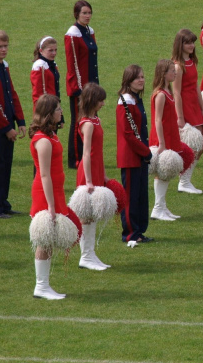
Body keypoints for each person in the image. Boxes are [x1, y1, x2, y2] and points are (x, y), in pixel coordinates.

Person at [29, 94, 82, 299]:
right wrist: (50, 206)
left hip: (55, 192)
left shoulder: (51, 135)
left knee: (49, 239)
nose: (62, 112)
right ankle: (41, 286)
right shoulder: (43, 141)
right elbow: (44, 174)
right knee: (44, 240)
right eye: (58, 109)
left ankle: (44, 285)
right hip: (46, 195)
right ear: (48, 114)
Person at [0, 30, 26, 218]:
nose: (4, 49)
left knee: (6, 164)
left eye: (5, 46)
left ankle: (3, 203)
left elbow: (12, 94)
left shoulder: (3, 66)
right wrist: (6, 128)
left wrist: (20, 120)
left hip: (7, 123)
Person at [116, 65, 154, 244]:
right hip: (131, 157)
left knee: (140, 196)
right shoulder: (126, 101)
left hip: (139, 155)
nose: (141, 80)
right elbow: (129, 134)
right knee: (131, 197)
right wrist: (145, 151)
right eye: (137, 77)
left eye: (142, 77)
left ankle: (138, 231)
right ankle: (130, 233)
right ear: (128, 80)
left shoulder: (135, 99)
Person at [76, 83, 110, 270]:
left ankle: (90, 253)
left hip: (96, 169)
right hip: (88, 171)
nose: (103, 104)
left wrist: (102, 174)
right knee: (87, 214)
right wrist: (88, 180)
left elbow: (99, 151)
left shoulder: (95, 120)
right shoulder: (88, 123)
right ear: (91, 101)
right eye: (100, 100)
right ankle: (85, 256)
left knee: (93, 214)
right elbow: (86, 153)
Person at [65, 0, 98, 169]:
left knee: (90, 120)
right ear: (76, 14)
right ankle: (75, 159)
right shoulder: (73, 34)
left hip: (91, 86)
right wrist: (79, 88)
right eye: (84, 13)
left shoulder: (89, 31)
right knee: (78, 121)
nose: (87, 16)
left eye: (89, 13)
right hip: (80, 88)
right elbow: (73, 64)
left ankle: (88, 154)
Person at [172, 28, 203, 195]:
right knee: (194, 144)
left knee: (200, 144)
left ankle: (185, 179)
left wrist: (202, 106)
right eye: (187, 43)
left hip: (194, 105)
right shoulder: (177, 67)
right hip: (185, 107)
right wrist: (180, 117)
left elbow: (196, 86)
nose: (192, 45)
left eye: (193, 42)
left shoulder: (191, 62)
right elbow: (176, 92)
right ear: (180, 44)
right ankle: (184, 181)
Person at [149, 59, 182, 221]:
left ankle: (162, 206)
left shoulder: (167, 91)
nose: (175, 73)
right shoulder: (161, 94)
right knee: (162, 172)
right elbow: (157, 120)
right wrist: (161, 143)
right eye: (171, 71)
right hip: (163, 137)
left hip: (170, 134)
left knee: (166, 173)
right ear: (163, 73)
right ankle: (157, 208)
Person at [30, 36, 64, 128]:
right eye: (50, 50)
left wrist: (60, 116)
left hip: (53, 110)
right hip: (45, 113)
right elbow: (37, 94)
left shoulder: (52, 64)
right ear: (41, 51)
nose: (54, 53)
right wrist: (42, 116)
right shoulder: (39, 66)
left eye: (55, 50)